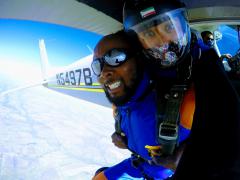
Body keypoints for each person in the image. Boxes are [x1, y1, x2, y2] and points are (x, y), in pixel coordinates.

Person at [123, 0, 240, 179]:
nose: (162, 42)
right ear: (139, 42)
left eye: (169, 27)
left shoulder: (206, 63)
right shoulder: (140, 70)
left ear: (183, 24)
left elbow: (228, 125)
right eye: (149, 33)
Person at [91, 30, 195, 179]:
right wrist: (124, 139)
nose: (103, 72)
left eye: (115, 58)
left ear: (140, 58)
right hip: (138, 166)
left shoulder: (184, 105)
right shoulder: (119, 107)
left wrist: (191, 158)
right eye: (97, 65)